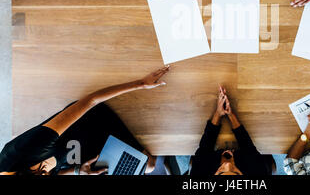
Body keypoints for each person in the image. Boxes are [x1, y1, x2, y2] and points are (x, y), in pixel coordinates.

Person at [0, 66, 170, 175]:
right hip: (76, 153)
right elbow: (54, 173)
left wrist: (140, 84)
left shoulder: (23, 150)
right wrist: (77, 171)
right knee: (146, 166)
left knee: (147, 164)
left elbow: (91, 101)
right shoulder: (30, 172)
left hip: (89, 121)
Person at [190, 86, 273, 175]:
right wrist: (231, 115)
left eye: (221, 171)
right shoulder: (257, 172)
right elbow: (248, 147)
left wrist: (218, 113)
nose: (227, 164)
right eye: (235, 171)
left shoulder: (199, 173)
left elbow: (205, 147)